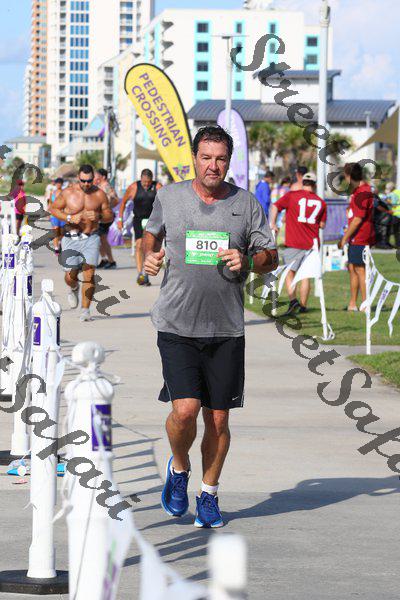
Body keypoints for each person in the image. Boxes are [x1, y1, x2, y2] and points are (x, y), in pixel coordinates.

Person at [143, 125, 278, 528]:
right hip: (176, 323)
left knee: (218, 419)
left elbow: (271, 256)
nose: (213, 166)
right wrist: (147, 259)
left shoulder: (246, 203)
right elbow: (150, 236)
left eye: (220, 159)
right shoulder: (169, 197)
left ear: (228, 161)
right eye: (206, 157)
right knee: (184, 411)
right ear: (194, 159)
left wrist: (249, 260)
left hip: (226, 328)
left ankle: (209, 494)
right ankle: (179, 468)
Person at [49, 164, 114, 322]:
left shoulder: (99, 194)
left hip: (91, 237)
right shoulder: (68, 192)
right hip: (71, 238)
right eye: (83, 181)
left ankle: (85, 310)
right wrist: (69, 218)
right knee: (70, 276)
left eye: (89, 180)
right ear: (78, 178)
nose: (86, 184)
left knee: (89, 274)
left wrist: (99, 216)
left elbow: (109, 215)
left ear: (93, 179)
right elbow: (53, 209)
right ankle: (74, 287)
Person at [270, 172, 327, 314]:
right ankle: (303, 306)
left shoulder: (292, 196)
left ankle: (293, 301)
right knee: (305, 275)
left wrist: (273, 223)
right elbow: (322, 225)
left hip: (294, 241)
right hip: (312, 243)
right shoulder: (321, 202)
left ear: (303, 183)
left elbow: (275, 206)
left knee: (290, 273)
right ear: (314, 185)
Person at [339, 162, 375, 311]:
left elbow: (358, 219)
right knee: (352, 268)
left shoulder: (363, 192)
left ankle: (365, 304)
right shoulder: (357, 191)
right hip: (355, 237)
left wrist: (344, 238)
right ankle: (352, 304)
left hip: (361, 237)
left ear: (349, 176)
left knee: (360, 270)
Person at [118, 169, 162, 285]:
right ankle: (140, 274)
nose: (146, 185)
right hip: (138, 219)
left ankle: (147, 273)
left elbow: (167, 202)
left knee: (150, 247)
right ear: (141, 179)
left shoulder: (157, 187)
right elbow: (123, 203)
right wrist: (120, 219)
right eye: (144, 182)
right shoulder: (134, 187)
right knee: (139, 245)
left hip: (152, 220)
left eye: (148, 182)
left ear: (151, 180)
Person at [94, 168, 119, 269]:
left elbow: (115, 199)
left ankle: (111, 261)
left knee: (102, 238)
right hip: (100, 216)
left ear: (103, 177)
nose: (95, 177)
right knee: (99, 238)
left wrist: (107, 208)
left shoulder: (106, 186)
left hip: (105, 217)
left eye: (97, 175)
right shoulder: (99, 186)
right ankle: (104, 259)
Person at [48, 177, 65, 254]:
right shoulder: (52, 193)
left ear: (62, 184)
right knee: (55, 230)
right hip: (54, 214)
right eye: (57, 183)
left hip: (62, 214)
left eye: (60, 183)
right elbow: (50, 203)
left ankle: (60, 243)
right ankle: (56, 248)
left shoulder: (64, 193)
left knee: (61, 232)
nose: (58, 185)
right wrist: (49, 213)